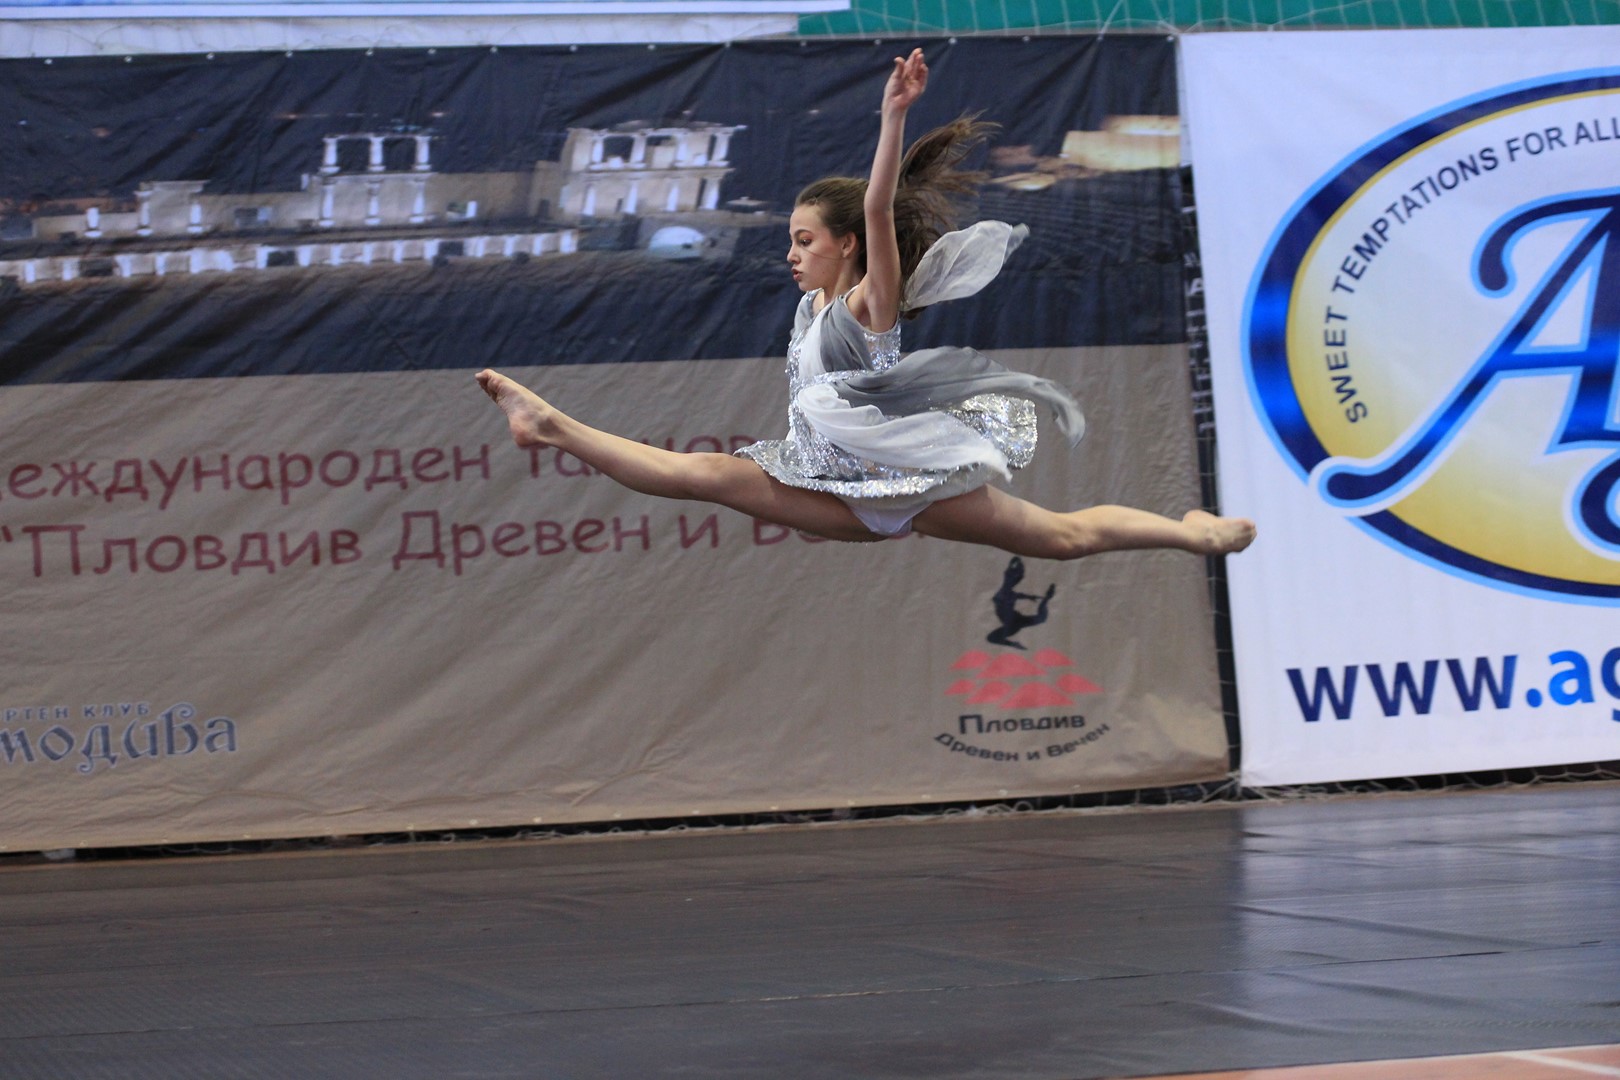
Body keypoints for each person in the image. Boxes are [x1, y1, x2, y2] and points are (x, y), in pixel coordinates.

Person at [477, 49, 1255, 561]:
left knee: (1063, 537)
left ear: (846, 245)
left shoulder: (865, 305)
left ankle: (1192, 534)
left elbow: (879, 208)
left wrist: (893, 116)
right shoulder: (810, 311)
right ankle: (549, 424)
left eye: (805, 240)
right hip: (831, 488)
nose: (791, 253)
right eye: (790, 239)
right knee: (703, 474)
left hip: (905, 485)